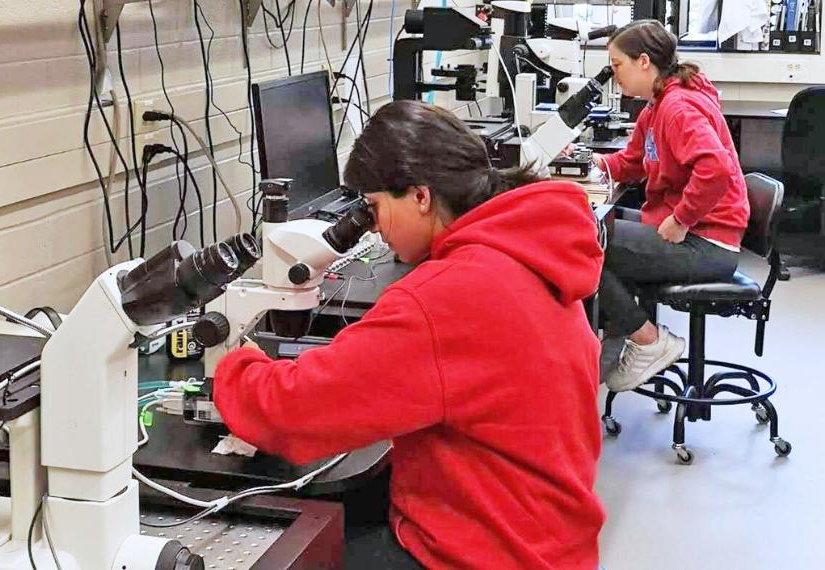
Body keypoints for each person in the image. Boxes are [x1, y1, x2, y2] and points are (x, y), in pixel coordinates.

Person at [211, 101, 606, 569]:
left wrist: (232, 367)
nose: (375, 229)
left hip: (488, 554)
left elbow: (294, 412)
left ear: (420, 196)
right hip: (551, 539)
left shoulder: (448, 296)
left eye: (375, 208)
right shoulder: (527, 249)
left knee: (293, 551)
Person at [593, 20, 750, 392]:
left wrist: (682, 219)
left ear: (643, 62)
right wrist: (589, 162)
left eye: (617, 65)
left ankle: (648, 340)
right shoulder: (656, 107)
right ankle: (617, 337)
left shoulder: (678, 107)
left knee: (583, 243)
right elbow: (632, 162)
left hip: (707, 244)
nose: (615, 75)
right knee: (595, 225)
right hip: (693, 231)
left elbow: (716, 168)